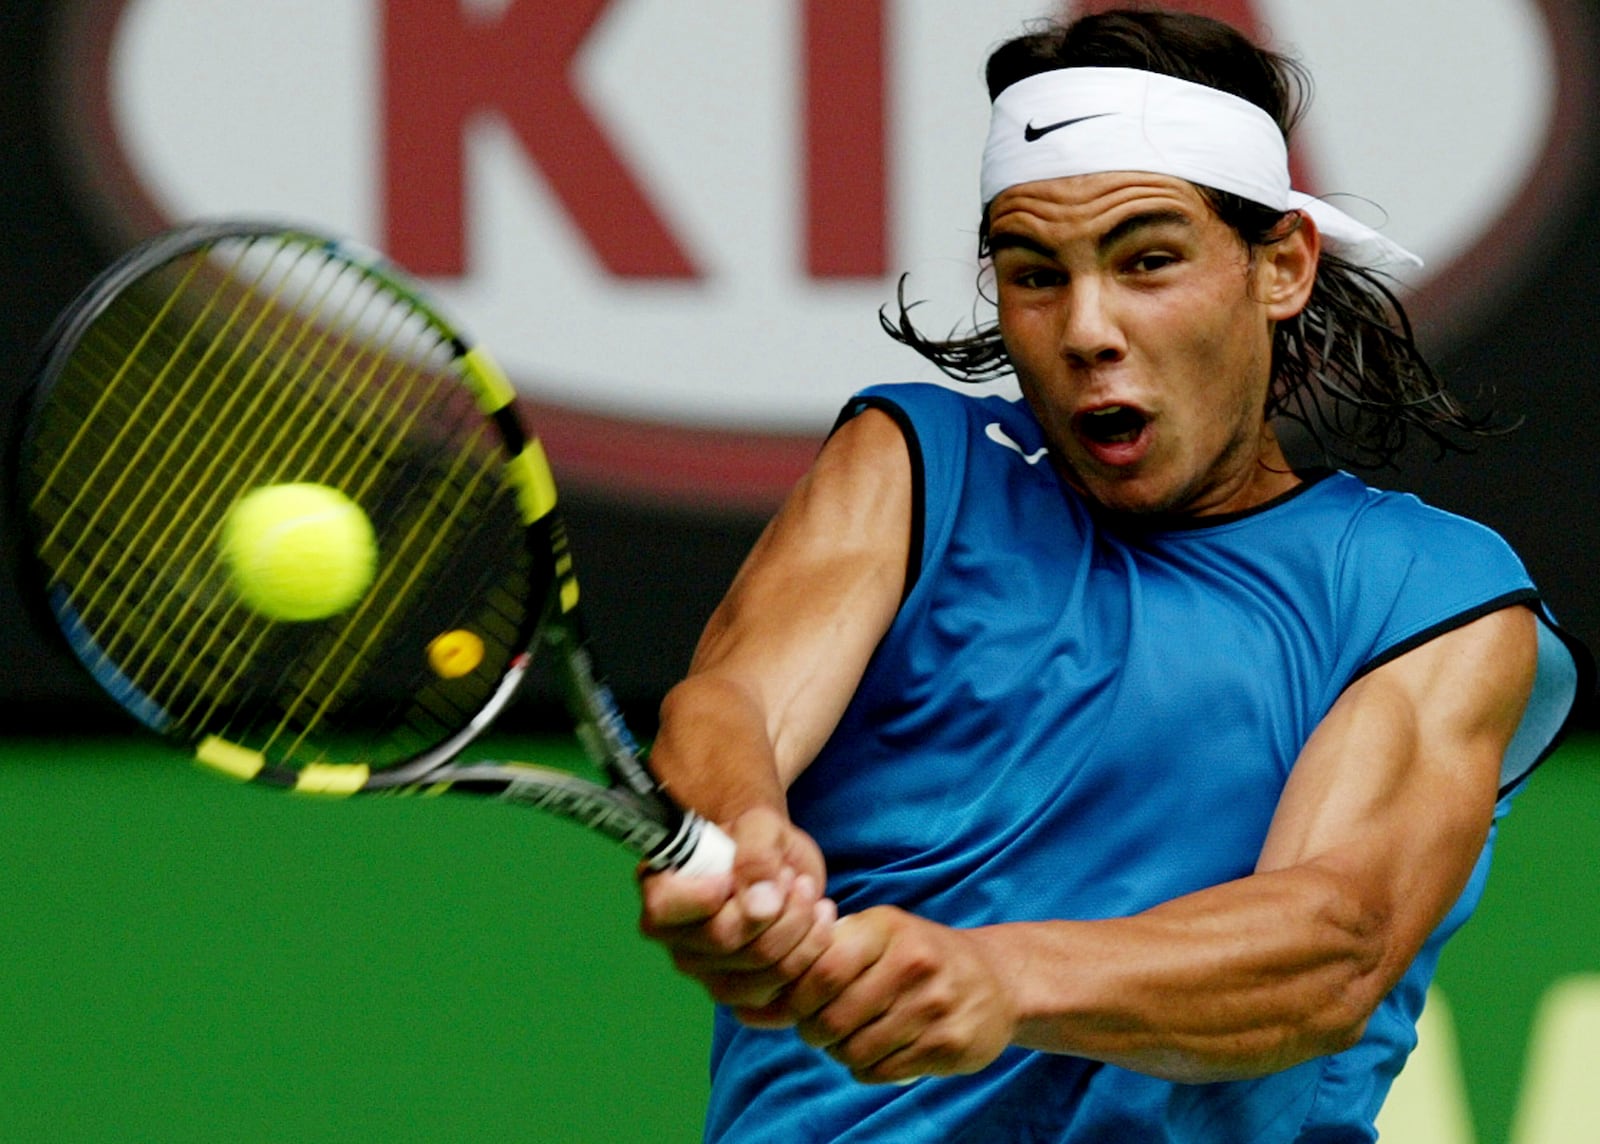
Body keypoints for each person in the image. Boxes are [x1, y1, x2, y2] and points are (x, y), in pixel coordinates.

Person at [637, 8, 1593, 1141]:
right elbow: (730, 702)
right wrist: (738, 835)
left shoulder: (1424, 593)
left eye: (1147, 261)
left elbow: (1333, 945)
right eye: (1035, 276)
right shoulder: (915, 468)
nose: (1085, 328)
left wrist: (1004, 981)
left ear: (1279, 263)